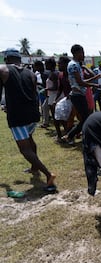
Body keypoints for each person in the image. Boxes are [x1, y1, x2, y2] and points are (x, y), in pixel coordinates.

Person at [0, 48, 57, 192]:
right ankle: (34, 167)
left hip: (17, 116)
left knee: (24, 149)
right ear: (19, 60)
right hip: (32, 114)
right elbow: (34, 94)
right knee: (30, 140)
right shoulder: (31, 73)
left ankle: (48, 175)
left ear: (7, 59)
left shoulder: (3, 69)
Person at [62, 44, 101, 145]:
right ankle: (70, 136)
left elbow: (82, 81)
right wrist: (94, 85)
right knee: (85, 118)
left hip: (79, 95)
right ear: (76, 53)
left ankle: (71, 136)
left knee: (85, 118)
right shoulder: (73, 65)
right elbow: (80, 83)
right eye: (82, 52)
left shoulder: (77, 65)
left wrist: (94, 80)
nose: (83, 55)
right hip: (77, 95)